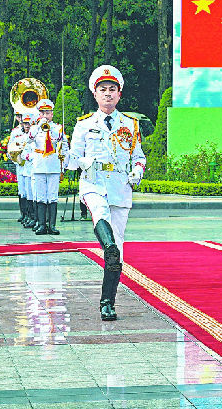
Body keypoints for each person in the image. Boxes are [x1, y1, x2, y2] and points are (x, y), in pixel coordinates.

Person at [66, 65, 146, 322]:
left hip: (120, 187)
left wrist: (137, 171)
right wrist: (81, 161)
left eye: (112, 89)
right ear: (95, 94)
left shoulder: (130, 124)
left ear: (119, 94)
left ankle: (107, 302)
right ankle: (107, 245)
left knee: (117, 253)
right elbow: (72, 159)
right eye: (103, 90)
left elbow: (139, 156)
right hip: (94, 183)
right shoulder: (84, 125)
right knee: (99, 213)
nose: (108, 94)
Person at [26, 99, 68, 235]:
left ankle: (52, 225)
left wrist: (64, 165)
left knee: (52, 196)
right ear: (39, 114)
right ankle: (41, 225)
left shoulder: (57, 128)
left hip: (53, 165)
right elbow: (29, 139)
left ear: (52, 114)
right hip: (39, 165)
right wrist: (39, 126)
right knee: (41, 196)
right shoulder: (35, 128)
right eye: (43, 113)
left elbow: (62, 143)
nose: (45, 115)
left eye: (48, 113)